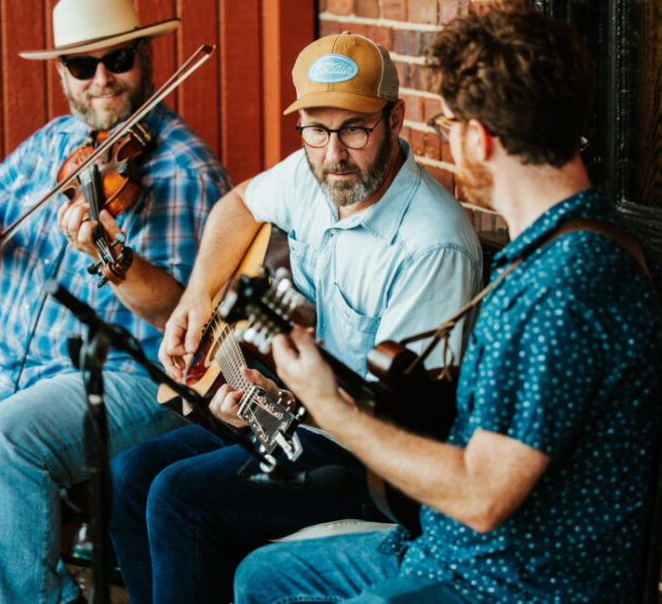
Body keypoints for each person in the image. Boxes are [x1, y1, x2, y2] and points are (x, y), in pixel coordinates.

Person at [233, 2, 662, 603]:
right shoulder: (556, 250)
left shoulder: (564, 289)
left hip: (510, 582)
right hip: (448, 546)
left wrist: (330, 408)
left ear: (478, 138)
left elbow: (485, 497)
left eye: (448, 127)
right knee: (261, 577)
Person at [0, 0, 230, 604]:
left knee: (9, 440)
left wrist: (108, 255)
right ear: (63, 73)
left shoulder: (181, 168)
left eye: (118, 59)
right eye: (81, 64)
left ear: (146, 59)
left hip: (124, 375)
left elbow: (182, 316)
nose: (102, 78)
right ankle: (38, 593)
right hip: (9, 361)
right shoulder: (51, 144)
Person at [108, 31, 484, 604]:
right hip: (304, 419)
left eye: (355, 129)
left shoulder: (431, 245)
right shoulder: (317, 173)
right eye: (315, 129)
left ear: (396, 118)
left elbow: (397, 423)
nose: (334, 153)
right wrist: (199, 297)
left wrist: (285, 399)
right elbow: (238, 206)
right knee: (130, 475)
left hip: (369, 460)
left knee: (180, 498)